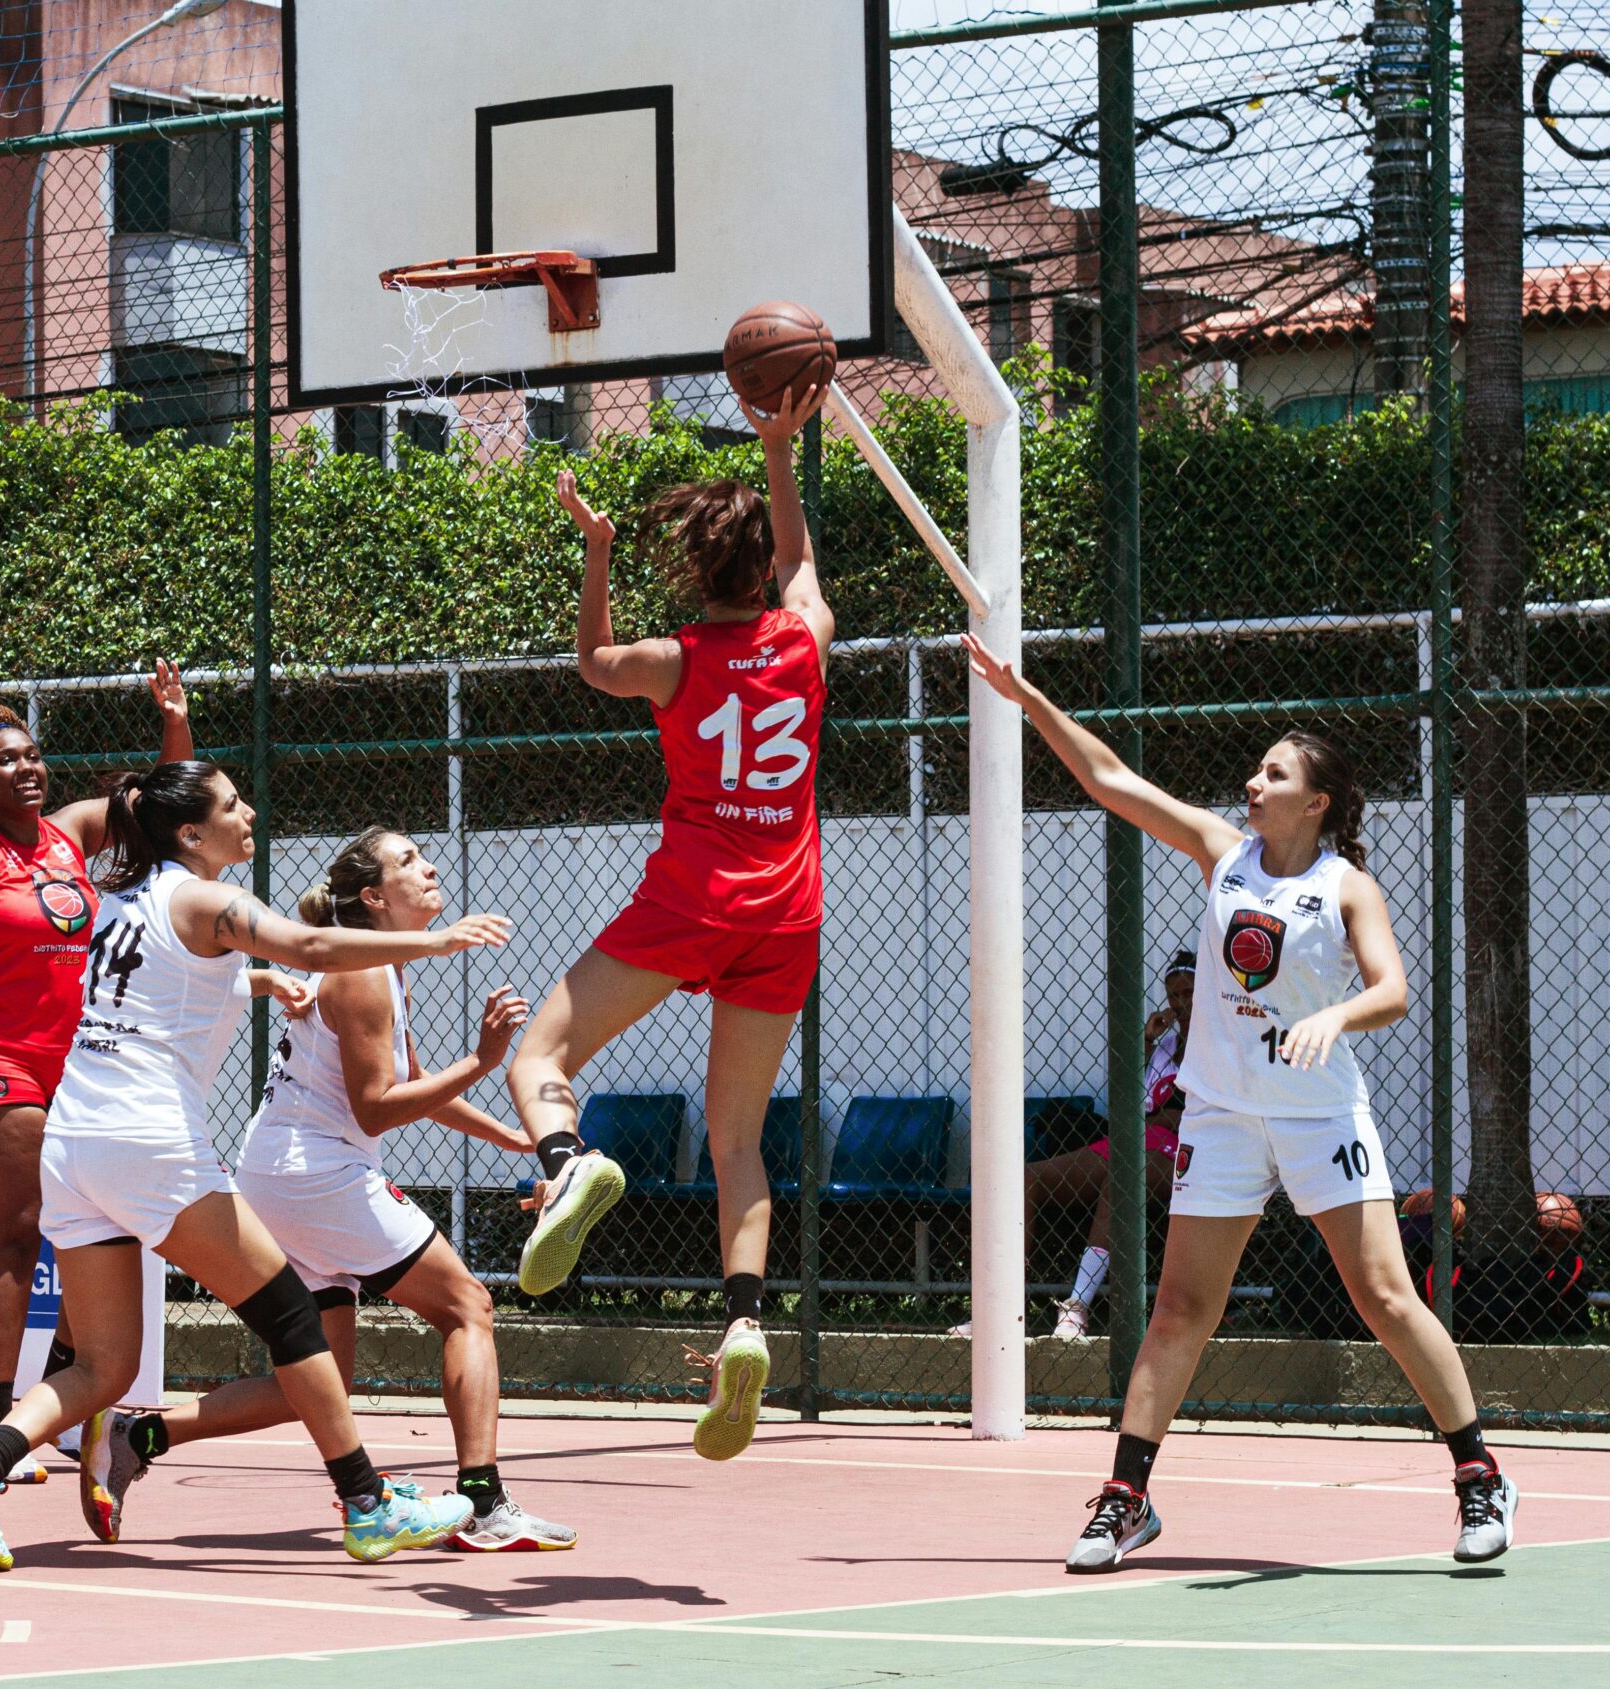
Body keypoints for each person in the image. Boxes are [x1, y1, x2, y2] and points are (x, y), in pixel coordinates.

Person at [963, 634, 1519, 1572]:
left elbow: (1392, 990)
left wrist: (1334, 1017)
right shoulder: (1226, 856)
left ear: (1319, 800)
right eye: (1256, 772)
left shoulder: (1346, 886)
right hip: (1220, 1115)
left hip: (1317, 1115)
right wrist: (1026, 697)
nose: (1252, 784)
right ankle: (1126, 1496)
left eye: (1274, 774)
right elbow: (1108, 778)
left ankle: (1479, 1475)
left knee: (1384, 1296)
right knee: (1180, 1306)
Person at [0, 763, 513, 1571]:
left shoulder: (123, 903)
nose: (251, 812)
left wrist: (263, 981)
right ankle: (369, 1503)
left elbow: (178, 979)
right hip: (149, 1143)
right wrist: (434, 938)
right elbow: (309, 941)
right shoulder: (200, 898)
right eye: (233, 804)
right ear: (192, 834)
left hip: (76, 1141)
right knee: (294, 1320)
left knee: (105, 1364)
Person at [84, 828, 577, 1552]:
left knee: (316, 1382)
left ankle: (138, 1432)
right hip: (317, 1175)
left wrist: (516, 1139)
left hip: (285, 1176)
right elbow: (379, 1104)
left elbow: (409, 1086)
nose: (431, 865)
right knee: (468, 1305)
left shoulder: (375, 965)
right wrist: (483, 1058)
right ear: (374, 896)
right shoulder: (362, 973)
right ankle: (484, 1504)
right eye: (409, 860)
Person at [508, 379, 834, 1463]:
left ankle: (565, 1162)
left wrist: (595, 551)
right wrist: (779, 450)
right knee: (737, 1137)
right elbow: (799, 565)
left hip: (693, 896)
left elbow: (591, 663)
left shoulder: (677, 660)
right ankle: (743, 1319)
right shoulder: (805, 643)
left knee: (540, 1048)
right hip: (786, 913)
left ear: (695, 571)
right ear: (763, 575)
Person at [0, 598, 199, 1483]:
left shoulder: (71, 837)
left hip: (75, 1067)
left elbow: (161, 810)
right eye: (6, 760)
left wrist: (175, 726)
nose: (27, 768)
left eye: (33, 754)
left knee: (93, 1224)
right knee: (18, 1232)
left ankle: (57, 1409)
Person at [950, 949, 1193, 1344]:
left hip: (1181, 1154)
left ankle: (1077, 1307)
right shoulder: (1164, 1049)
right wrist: (1147, 1040)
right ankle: (996, 1311)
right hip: (1136, 1140)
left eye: (1189, 992)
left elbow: (1195, 1118)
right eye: (1174, 996)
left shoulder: (1219, 1043)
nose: (1182, 1004)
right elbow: (1132, 1103)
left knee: (1123, 1176)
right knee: (1026, 1178)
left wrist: (1163, 1118)